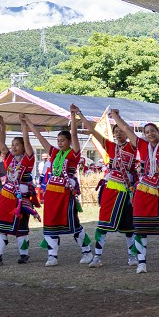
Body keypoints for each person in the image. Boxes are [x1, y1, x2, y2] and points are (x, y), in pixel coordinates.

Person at [107, 107, 159, 274]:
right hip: (143, 190)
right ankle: (141, 262)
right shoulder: (141, 145)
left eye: (153, 131)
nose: (150, 134)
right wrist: (116, 116)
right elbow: (126, 129)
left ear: (157, 133)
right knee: (140, 228)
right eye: (147, 132)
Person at [21, 111, 93, 267]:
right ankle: (52, 256)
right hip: (52, 195)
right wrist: (28, 123)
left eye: (63, 140)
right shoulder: (54, 153)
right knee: (50, 224)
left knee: (73, 224)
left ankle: (87, 252)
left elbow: (74, 134)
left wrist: (73, 116)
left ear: (69, 141)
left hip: (66, 195)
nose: (60, 143)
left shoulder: (73, 154)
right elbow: (40, 138)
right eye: (58, 140)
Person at [78, 110, 137, 268]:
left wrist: (118, 118)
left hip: (126, 190)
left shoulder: (132, 146)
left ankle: (132, 256)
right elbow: (92, 131)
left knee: (128, 226)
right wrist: (79, 115)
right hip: (111, 188)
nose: (118, 134)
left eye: (121, 131)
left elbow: (129, 131)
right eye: (115, 132)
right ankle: (97, 257)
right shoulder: (110, 147)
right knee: (103, 224)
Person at [0, 114, 39, 266]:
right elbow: (1, 143)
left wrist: (23, 124)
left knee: (21, 228)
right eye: (13, 145)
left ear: (24, 147)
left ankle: (23, 255)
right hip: (6, 197)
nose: (14, 147)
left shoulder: (28, 159)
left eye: (17, 144)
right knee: (0, 227)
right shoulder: (9, 159)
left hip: (21, 199)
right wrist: (0, 125)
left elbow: (27, 141)